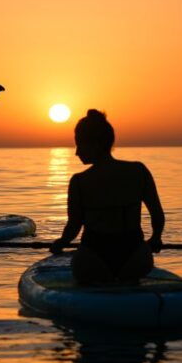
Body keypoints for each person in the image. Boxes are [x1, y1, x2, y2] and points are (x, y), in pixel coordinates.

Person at [51, 109, 164, 285]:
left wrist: (60, 243)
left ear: (96, 144)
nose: (77, 152)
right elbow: (157, 215)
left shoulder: (79, 181)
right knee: (130, 281)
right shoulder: (139, 171)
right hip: (135, 258)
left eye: (79, 145)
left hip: (94, 260)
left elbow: (74, 226)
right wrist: (156, 237)